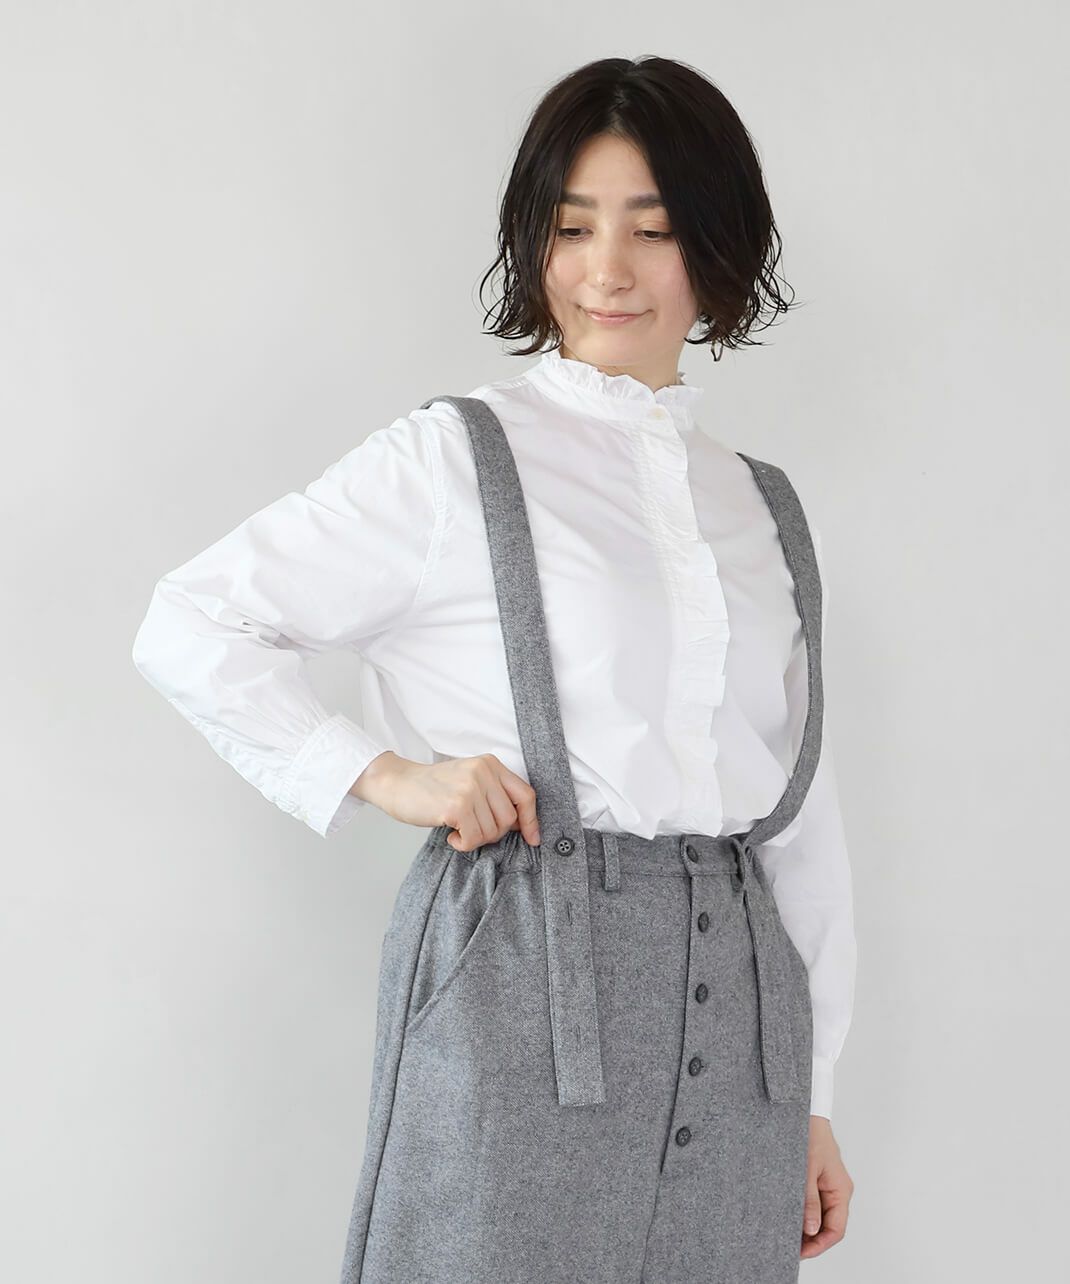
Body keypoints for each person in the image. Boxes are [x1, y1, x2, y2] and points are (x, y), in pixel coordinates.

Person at [133, 55, 856, 1282]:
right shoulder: (452, 462)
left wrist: (813, 1092)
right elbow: (193, 621)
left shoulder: (762, 509)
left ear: (716, 246)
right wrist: (383, 775)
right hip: (523, 970)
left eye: (652, 229)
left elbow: (799, 822)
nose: (605, 270)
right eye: (571, 228)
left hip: (744, 1027)